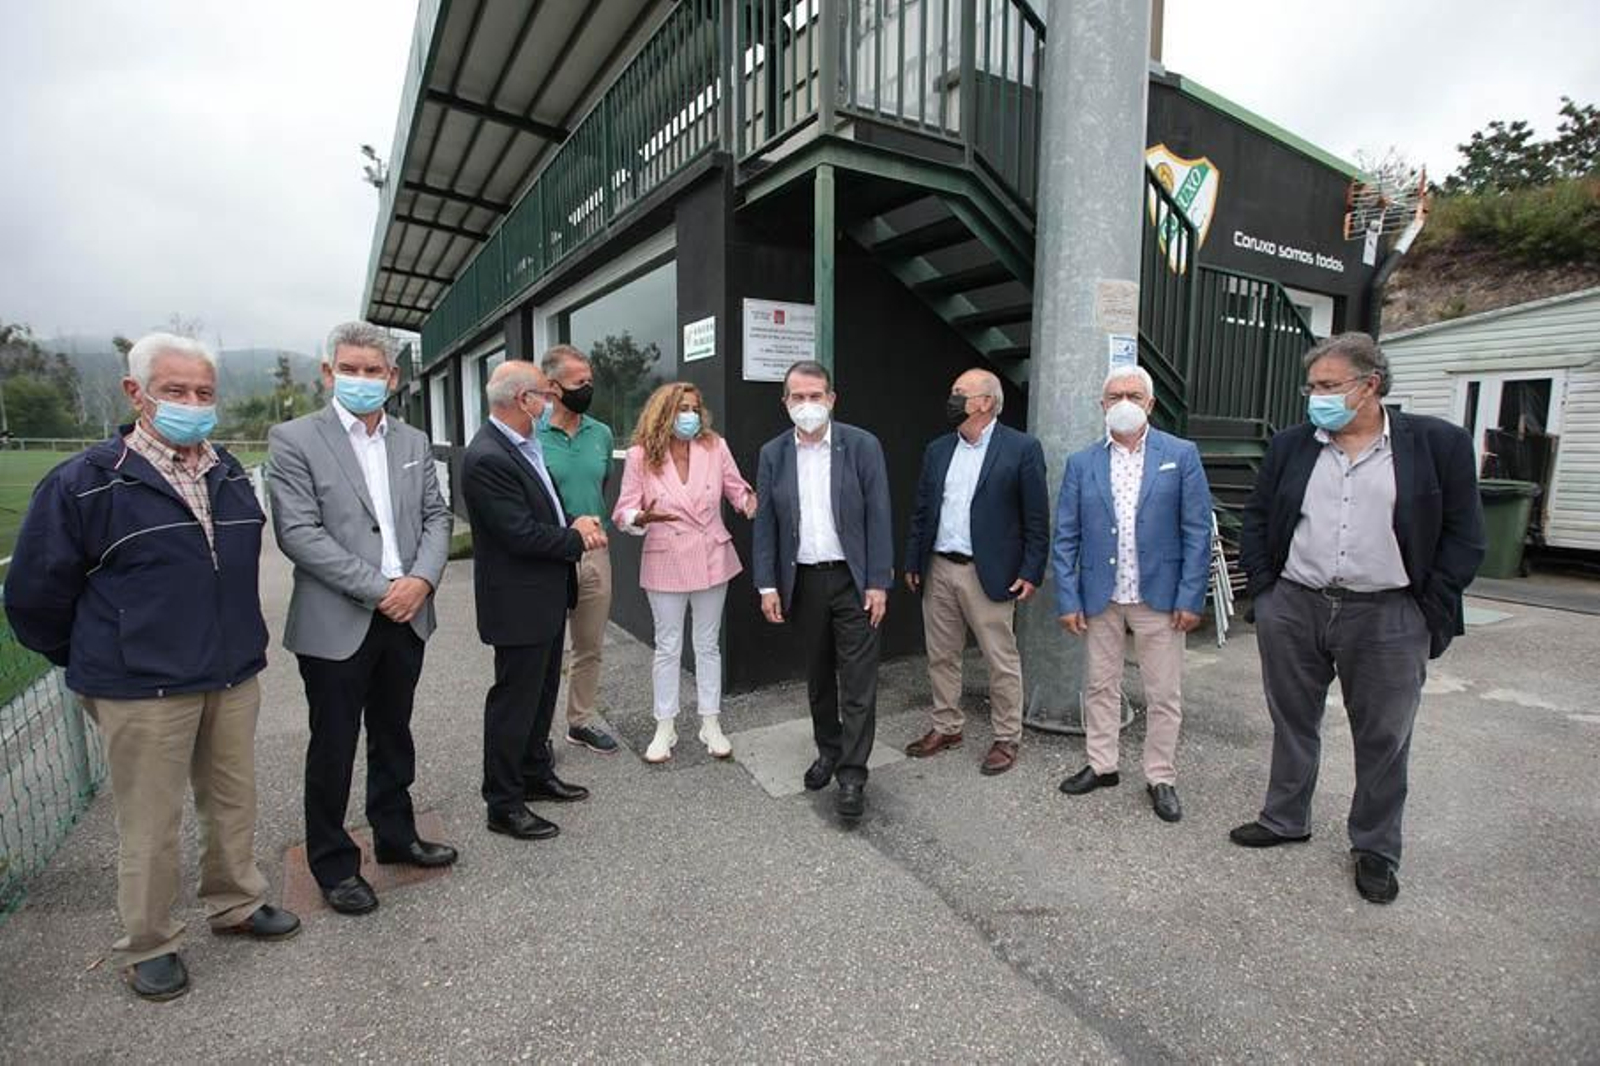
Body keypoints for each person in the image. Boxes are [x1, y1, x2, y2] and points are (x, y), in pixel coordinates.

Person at [5, 332, 298, 1001]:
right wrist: (90, 656)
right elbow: (34, 594)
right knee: (150, 820)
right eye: (175, 391)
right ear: (137, 393)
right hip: (140, 687)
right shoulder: (85, 483)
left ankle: (236, 902)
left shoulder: (225, 472)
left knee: (232, 800)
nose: (192, 404)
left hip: (228, 673)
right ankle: (150, 942)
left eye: (203, 393)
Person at [1230, 332, 1485, 904]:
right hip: (1295, 603)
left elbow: (1465, 536)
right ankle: (1284, 817)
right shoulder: (1293, 445)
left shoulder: (1437, 445)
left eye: (1327, 385)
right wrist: (1266, 594)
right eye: (1312, 385)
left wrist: (1428, 608)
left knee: (1385, 736)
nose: (1314, 396)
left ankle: (1374, 847)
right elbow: (1259, 516)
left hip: (1389, 613)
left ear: (1370, 385)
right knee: (1292, 719)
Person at [268, 321, 457, 916]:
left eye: (374, 371)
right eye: (350, 369)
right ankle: (333, 862)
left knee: (393, 733)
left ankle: (395, 835)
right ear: (329, 373)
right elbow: (299, 534)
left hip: (408, 614)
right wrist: (383, 590)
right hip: (340, 618)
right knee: (333, 744)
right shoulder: (294, 439)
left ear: (393, 378)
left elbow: (436, 516)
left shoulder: (412, 441)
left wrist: (422, 582)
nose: (362, 379)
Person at [1051, 366, 1212, 823]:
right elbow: (1066, 536)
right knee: (1100, 685)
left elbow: (1197, 532)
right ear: (1102, 406)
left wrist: (1190, 597)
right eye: (1115, 395)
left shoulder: (1180, 455)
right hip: (1100, 595)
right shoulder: (1083, 463)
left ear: (1151, 404)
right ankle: (1102, 765)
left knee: (1163, 693)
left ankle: (1160, 775)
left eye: (1133, 394)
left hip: (1159, 597)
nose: (1124, 401)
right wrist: (1068, 598)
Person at [461, 361, 608, 841]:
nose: (550, 403)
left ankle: (534, 773)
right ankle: (503, 803)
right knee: (514, 702)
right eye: (544, 395)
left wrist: (572, 522)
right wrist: (575, 536)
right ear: (523, 400)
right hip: (518, 602)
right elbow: (519, 533)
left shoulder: (524, 446)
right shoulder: (488, 457)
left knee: (542, 695)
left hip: (544, 596)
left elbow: (544, 504)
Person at [752, 360, 893, 820]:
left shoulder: (862, 445)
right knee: (818, 678)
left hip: (853, 581)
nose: (807, 405)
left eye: (816, 396)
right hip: (805, 581)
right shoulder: (773, 453)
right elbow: (767, 525)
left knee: (858, 681)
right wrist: (767, 584)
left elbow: (879, 515)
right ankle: (828, 751)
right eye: (798, 397)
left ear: (832, 398)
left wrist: (878, 582)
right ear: (785, 402)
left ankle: (852, 774)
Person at [902, 369, 1048, 775]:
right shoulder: (938, 450)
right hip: (940, 566)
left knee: (1000, 659)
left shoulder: (1021, 449)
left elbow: (1036, 517)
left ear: (985, 402)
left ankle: (1006, 737)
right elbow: (922, 511)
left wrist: (1031, 570)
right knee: (941, 655)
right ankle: (947, 726)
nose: (951, 399)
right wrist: (914, 560)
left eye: (959, 393)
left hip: (990, 571)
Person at [613, 382, 757, 763]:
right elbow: (623, 510)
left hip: (712, 554)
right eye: (682, 409)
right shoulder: (640, 455)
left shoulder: (715, 446)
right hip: (666, 556)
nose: (690, 416)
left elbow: (735, 488)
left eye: (694, 408)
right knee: (668, 645)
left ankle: (710, 722)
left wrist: (750, 502)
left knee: (707, 644)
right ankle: (665, 726)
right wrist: (640, 517)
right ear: (663, 414)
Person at [538, 344, 621, 755]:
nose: (587, 389)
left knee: (588, 645)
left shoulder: (601, 434)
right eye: (579, 383)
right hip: (549, 556)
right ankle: (536, 735)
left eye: (590, 381)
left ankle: (580, 721)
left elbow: (597, 489)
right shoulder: (530, 435)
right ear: (551, 387)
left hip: (595, 554)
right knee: (544, 650)